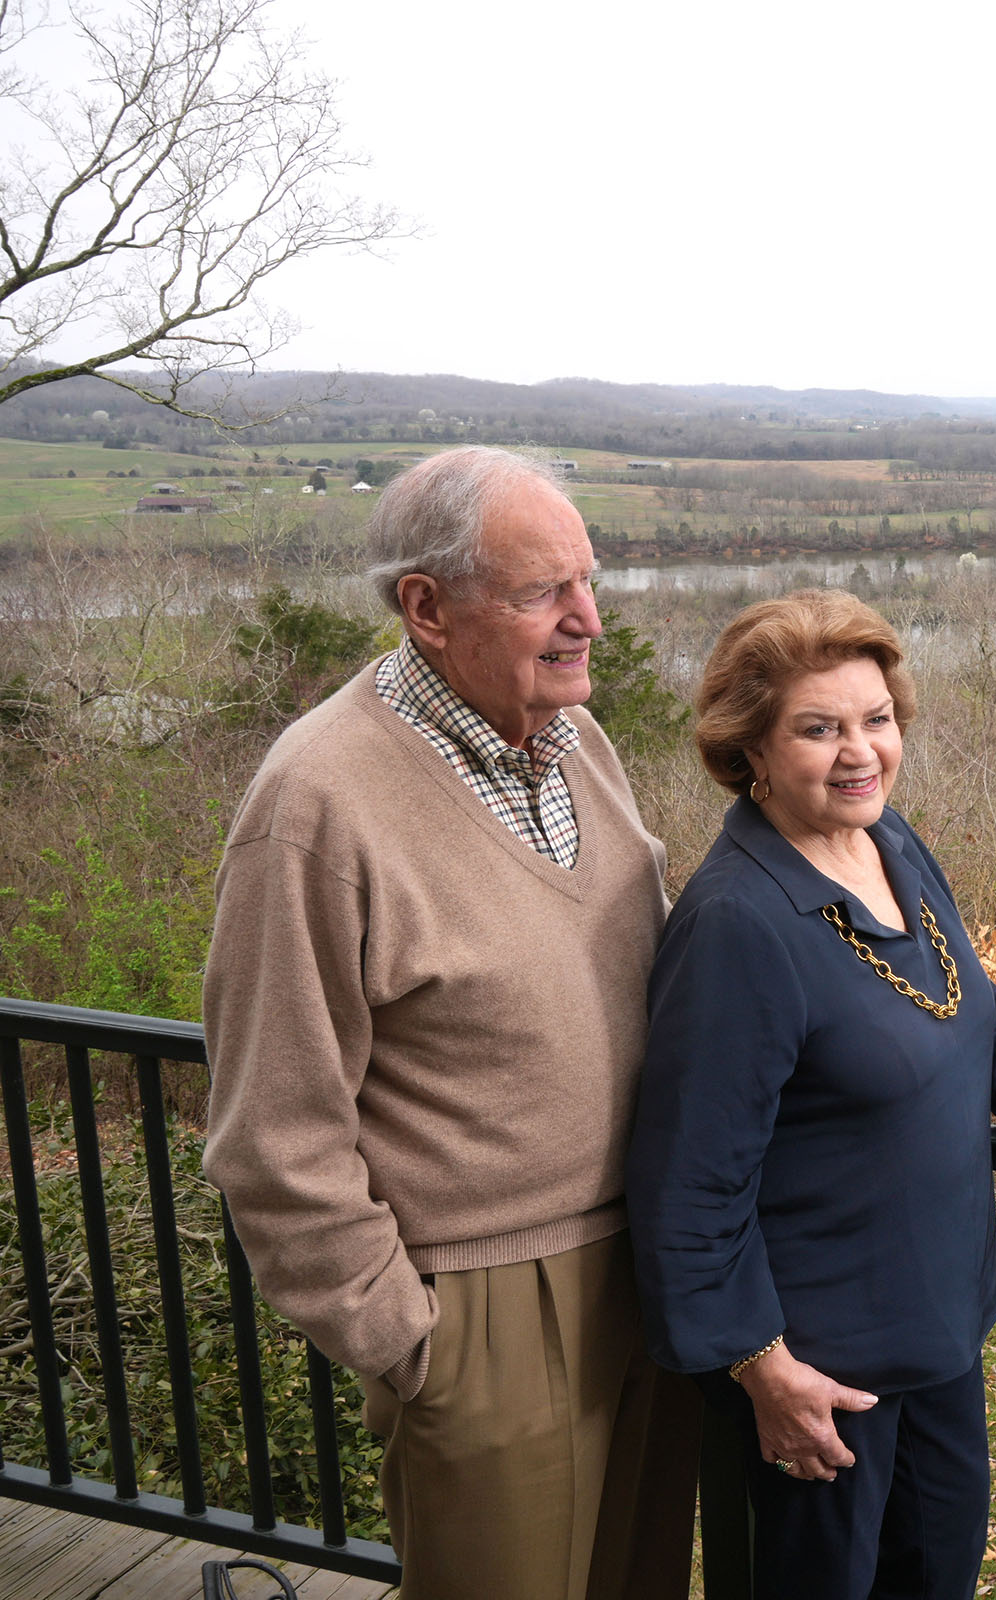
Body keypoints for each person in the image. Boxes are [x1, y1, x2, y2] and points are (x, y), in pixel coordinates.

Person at [626, 588, 996, 1600]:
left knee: (935, 1577)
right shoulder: (739, 923)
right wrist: (761, 1371)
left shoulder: (885, 844)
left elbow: (969, 1014)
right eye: (817, 728)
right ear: (753, 751)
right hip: (824, 1379)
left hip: (937, 1332)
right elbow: (685, 1186)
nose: (858, 749)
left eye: (874, 719)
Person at [203, 446, 699, 1600]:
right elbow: (273, 1129)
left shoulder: (576, 742)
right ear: (425, 607)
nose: (586, 617)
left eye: (587, 577)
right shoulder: (316, 804)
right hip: (483, 1308)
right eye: (543, 593)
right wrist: (407, 1341)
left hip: (654, 1268)